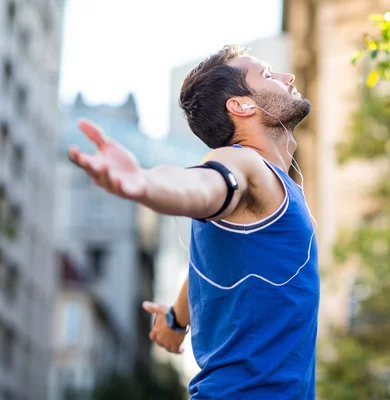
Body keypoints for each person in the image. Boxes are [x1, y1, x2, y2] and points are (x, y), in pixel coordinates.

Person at [69, 44, 320, 399]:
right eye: (266, 74)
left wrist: (176, 317)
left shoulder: (274, 187)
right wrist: (145, 183)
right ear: (242, 105)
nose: (287, 77)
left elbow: (212, 263)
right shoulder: (244, 164)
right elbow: (202, 183)